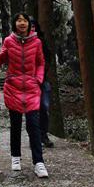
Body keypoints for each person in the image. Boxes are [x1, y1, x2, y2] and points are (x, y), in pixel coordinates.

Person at [0, 12, 49, 178]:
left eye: (24, 20)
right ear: (14, 24)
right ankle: (15, 157)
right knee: (15, 124)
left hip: (31, 88)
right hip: (13, 87)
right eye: (19, 20)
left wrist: (38, 79)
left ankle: (39, 162)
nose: (22, 23)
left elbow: (41, 63)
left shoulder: (36, 42)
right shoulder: (8, 41)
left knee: (34, 125)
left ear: (29, 24)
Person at [31, 16, 54, 148]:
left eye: (34, 26)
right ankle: (34, 136)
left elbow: (47, 59)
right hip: (28, 81)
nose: (32, 28)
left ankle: (43, 135)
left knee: (44, 107)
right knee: (32, 111)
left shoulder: (42, 42)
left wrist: (41, 73)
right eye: (31, 25)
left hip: (42, 80)